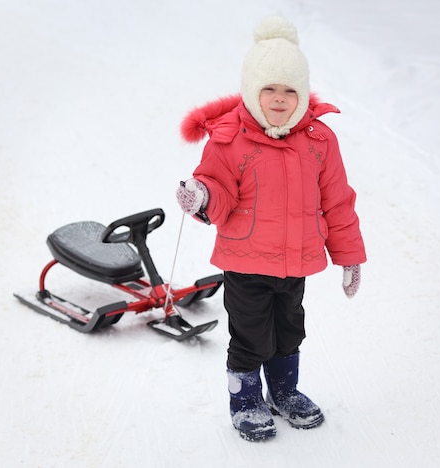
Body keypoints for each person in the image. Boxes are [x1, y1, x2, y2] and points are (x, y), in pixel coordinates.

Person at [175, 16, 367, 442]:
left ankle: (283, 391)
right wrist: (202, 197)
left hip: (295, 262)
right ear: (251, 89)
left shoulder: (320, 141)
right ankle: (245, 401)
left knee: (289, 330)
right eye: (269, 88)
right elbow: (219, 194)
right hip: (245, 263)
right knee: (251, 335)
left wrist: (349, 255)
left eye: (289, 90)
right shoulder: (230, 140)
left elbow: (337, 201)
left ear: (301, 94)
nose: (279, 99)